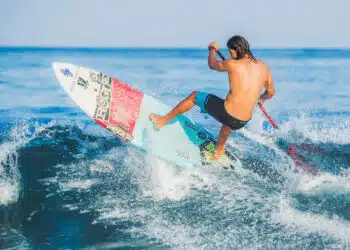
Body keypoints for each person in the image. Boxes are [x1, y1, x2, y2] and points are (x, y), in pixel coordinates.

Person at [149, 35, 275, 160]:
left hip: (227, 114)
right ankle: (218, 151)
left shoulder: (232, 64)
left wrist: (212, 49)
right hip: (242, 122)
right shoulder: (264, 67)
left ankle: (163, 120)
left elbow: (212, 64)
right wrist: (261, 99)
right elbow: (270, 93)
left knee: (194, 96)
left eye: (230, 51)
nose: (230, 55)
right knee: (229, 121)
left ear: (236, 49)